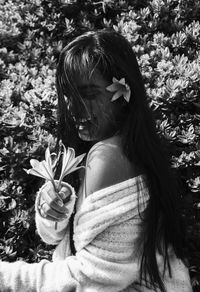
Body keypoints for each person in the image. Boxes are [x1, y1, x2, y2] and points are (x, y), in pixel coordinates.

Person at [0, 29, 192, 292]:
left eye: (89, 95)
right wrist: (55, 211)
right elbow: (57, 237)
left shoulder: (108, 155)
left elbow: (86, 280)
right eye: (68, 94)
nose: (73, 108)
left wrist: (6, 277)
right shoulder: (130, 148)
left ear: (124, 94)